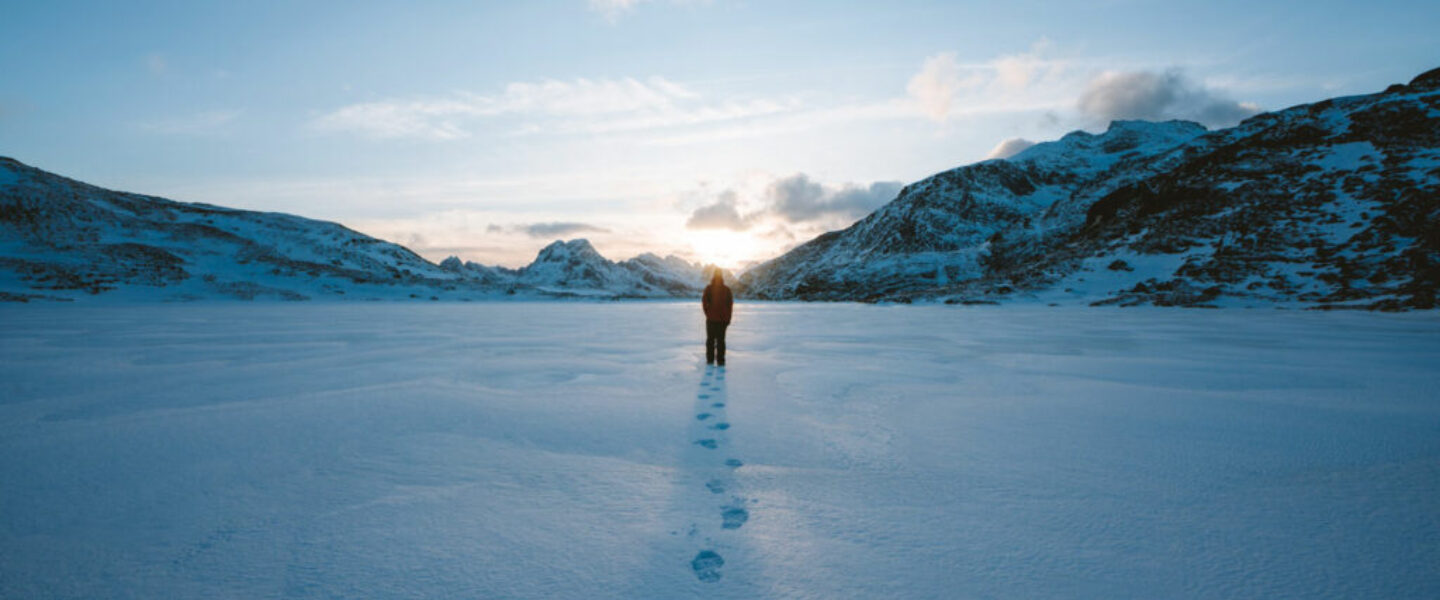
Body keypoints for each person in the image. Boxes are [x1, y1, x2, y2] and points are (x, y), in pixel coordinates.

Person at [702, 270, 733, 367]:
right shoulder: (727, 290)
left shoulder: (709, 288)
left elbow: (704, 303)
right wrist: (728, 319)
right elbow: (730, 306)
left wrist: (708, 314)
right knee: (721, 341)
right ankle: (720, 361)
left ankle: (710, 360)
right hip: (722, 320)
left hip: (711, 320)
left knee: (710, 340)